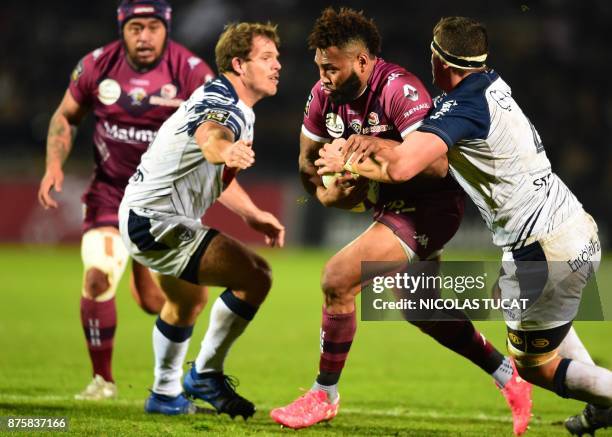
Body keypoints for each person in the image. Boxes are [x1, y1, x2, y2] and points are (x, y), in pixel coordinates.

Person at [317, 16, 612, 436]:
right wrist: (372, 145)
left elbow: (403, 167)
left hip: (543, 249)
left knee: (534, 365)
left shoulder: (464, 108)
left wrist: (344, 156)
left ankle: (607, 397)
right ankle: (601, 406)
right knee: (546, 322)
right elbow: (411, 146)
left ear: (440, 63)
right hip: (572, 227)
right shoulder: (490, 84)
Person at [270, 8, 531, 435]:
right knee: (419, 308)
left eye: (331, 68)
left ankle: (324, 394)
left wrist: (362, 154)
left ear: (362, 61)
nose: (324, 77)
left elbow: (436, 166)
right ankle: (508, 375)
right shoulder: (321, 96)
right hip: (389, 207)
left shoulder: (399, 89)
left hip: (431, 207)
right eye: (319, 67)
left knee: (337, 279)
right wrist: (325, 194)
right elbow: (306, 164)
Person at [37, 0, 215, 401]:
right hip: (109, 193)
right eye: (136, 28)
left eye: (153, 27)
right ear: (123, 29)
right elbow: (66, 116)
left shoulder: (190, 72)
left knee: (156, 304)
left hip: (162, 203)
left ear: (166, 29)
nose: (144, 36)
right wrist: (53, 164)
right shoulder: (96, 66)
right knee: (98, 275)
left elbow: (213, 130)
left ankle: (137, 261)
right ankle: (102, 380)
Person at [118, 21, 284, 417]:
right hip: (157, 221)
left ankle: (163, 394)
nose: (277, 65)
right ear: (239, 64)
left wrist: (254, 214)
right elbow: (211, 136)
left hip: (146, 216)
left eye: (277, 58)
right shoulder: (222, 104)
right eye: (266, 58)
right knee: (256, 276)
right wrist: (224, 150)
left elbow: (217, 179)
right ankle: (205, 374)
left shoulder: (236, 105)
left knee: (188, 301)